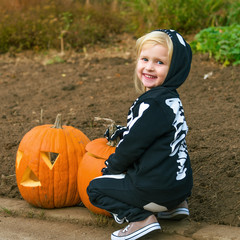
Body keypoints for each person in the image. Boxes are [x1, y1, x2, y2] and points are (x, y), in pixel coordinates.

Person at [87, 29, 193, 240]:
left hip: (154, 190)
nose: (149, 67)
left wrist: (110, 168)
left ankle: (140, 219)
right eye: (145, 59)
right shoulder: (171, 100)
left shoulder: (150, 103)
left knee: (95, 189)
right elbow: (155, 134)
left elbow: (131, 146)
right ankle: (174, 207)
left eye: (159, 62)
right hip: (180, 188)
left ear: (175, 69)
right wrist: (126, 130)